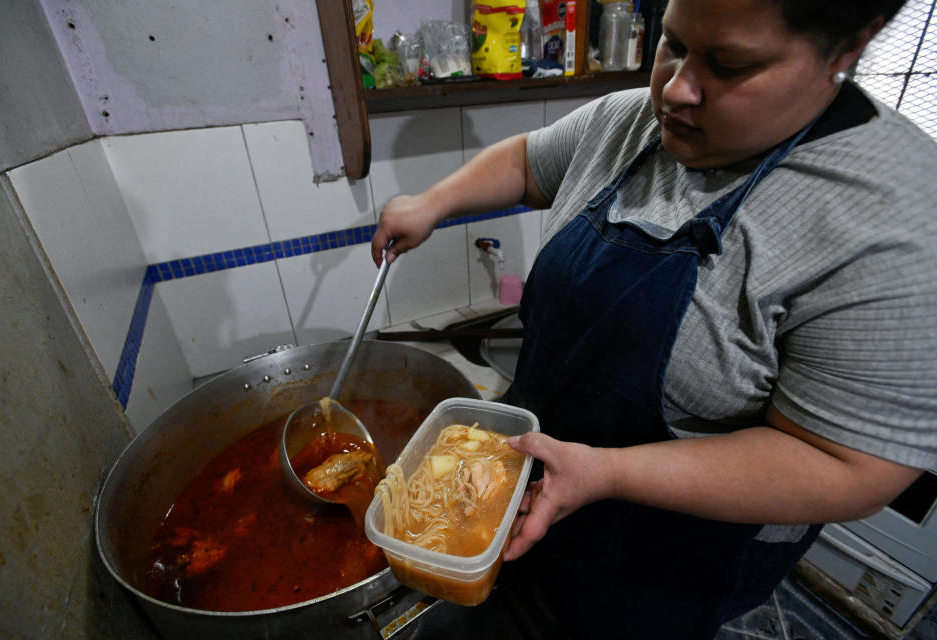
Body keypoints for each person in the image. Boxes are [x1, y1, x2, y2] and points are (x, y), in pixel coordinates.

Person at [371, 0, 937, 637]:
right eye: (670, 44)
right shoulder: (632, 120)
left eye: (727, 65)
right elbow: (530, 163)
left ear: (848, 48)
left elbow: (848, 466)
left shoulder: (898, 222)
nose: (674, 89)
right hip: (526, 492)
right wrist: (433, 202)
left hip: (663, 566)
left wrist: (606, 473)